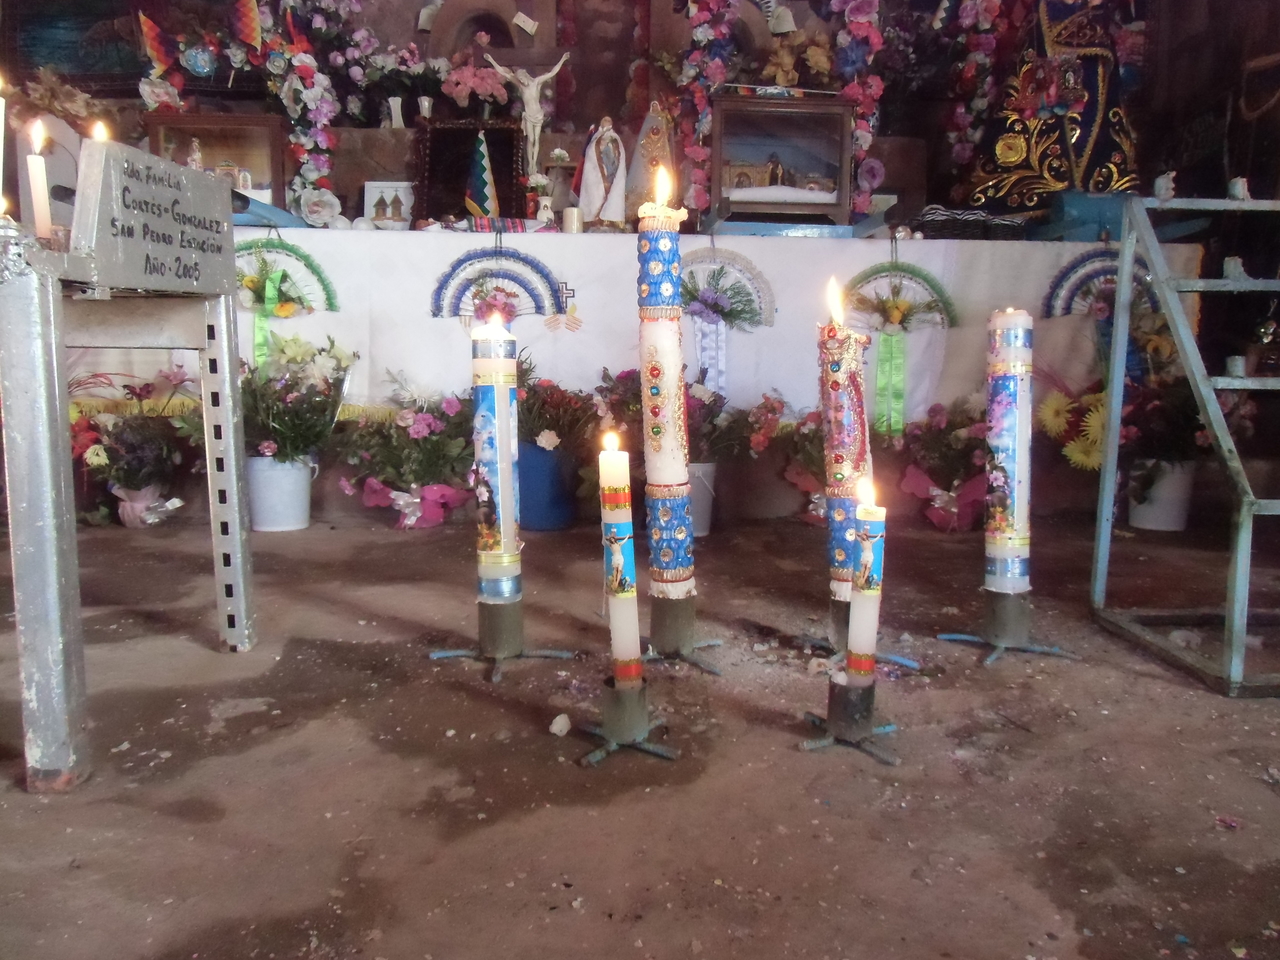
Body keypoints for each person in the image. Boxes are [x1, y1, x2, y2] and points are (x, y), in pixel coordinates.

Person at [483, 52, 570, 174]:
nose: (522, 81)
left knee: (536, 138)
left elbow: (552, 72)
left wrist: (563, 59)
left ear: (526, 76)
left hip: (538, 115)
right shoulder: (520, 85)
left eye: (522, 78)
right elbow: (503, 73)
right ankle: (531, 166)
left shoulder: (537, 83)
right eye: (520, 80)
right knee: (530, 139)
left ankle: (534, 162)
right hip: (528, 116)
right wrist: (491, 60)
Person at [578, 117, 626, 228]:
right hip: (595, 175)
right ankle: (592, 219)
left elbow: (618, 155)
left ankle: (610, 218)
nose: (607, 122)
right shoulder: (596, 137)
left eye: (609, 120)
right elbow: (590, 156)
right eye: (605, 120)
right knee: (595, 196)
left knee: (611, 194)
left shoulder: (615, 138)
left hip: (611, 172)